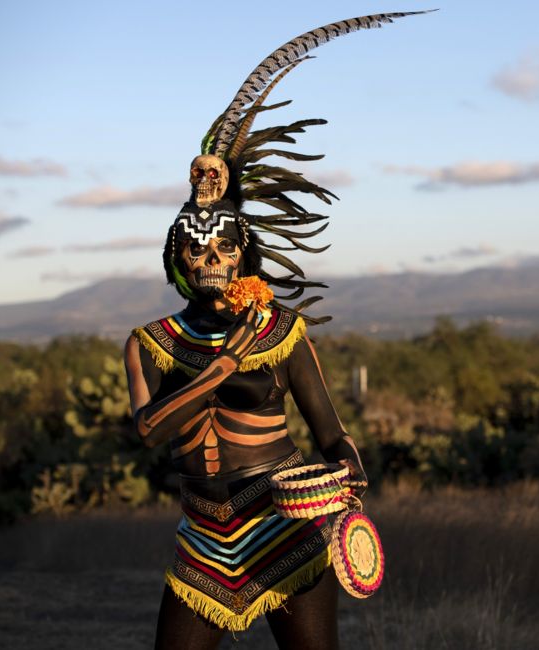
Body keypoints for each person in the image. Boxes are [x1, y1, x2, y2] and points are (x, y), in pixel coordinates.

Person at [121, 12, 426, 648]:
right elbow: (149, 430)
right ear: (176, 260)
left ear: (244, 255)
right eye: (196, 252)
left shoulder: (281, 332)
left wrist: (348, 477)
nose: (211, 262)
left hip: (283, 527)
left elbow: (330, 431)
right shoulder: (150, 342)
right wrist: (222, 370)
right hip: (202, 539)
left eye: (223, 250)